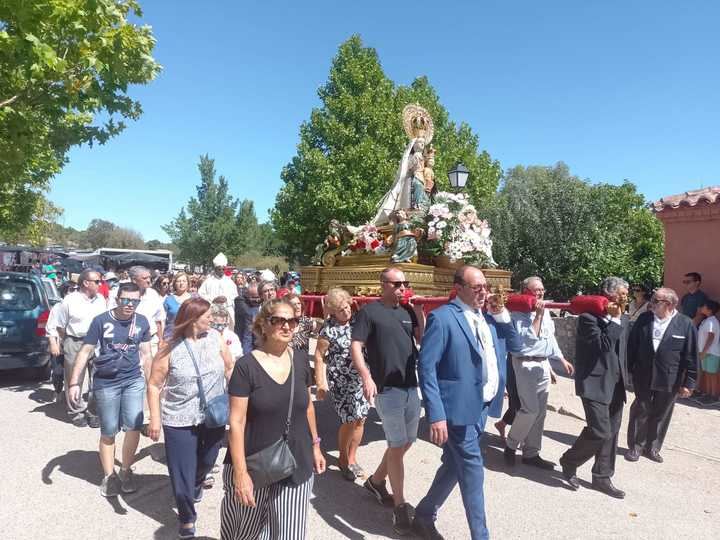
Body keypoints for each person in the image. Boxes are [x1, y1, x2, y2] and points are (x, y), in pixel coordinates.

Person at [414, 266, 517, 540]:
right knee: (472, 470)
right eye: (477, 287)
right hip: (456, 410)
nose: (483, 292)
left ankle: (423, 515)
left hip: (482, 406)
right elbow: (427, 368)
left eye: (485, 286)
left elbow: (516, 346)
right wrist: (436, 415)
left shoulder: (489, 318)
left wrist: (501, 315)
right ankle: (480, 536)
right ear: (458, 287)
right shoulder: (443, 318)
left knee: (452, 464)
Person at [220, 298, 326, 540]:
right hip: (254, 462)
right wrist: (240, 473)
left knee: (290, 533)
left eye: (292, 321)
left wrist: (316, 445)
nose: (287, 326)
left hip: (296, 459)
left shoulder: (300, 360)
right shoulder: (246, 367)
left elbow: (307, 406)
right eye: (278, 320)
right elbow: (236, 423)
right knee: (245, 533)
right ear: (263, 325)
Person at [147, 297, 234, 539]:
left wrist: (238, 397)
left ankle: (195, 484)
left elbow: (229, 368)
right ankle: (186, 517)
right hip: (178, 419)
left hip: (213, 415)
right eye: (207, 316)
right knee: (181, 471)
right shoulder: (169, 348)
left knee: (207, 461)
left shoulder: (216, 339)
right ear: (193, 319)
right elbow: (154, 385)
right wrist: (155, 418)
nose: (212, 319)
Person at [351, 267, 425, 535]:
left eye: (405, 283)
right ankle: (400, 505)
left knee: (406, 442)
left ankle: (376, 481)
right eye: (396, 283)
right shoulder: (369, 312)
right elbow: (356, 345)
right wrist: (366, 376)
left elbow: (420, 339)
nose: (402, 287)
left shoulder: (407, 311)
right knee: (396, 445)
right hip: (386, 389)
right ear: (382, 284)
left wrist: (419, 313)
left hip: (410, 386)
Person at [68, 283, 152, 497]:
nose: (129, 305)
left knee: (133, 426)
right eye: (125, 300)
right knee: (108, 430)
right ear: (117, 299)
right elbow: (86, 350)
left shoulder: (141, 322)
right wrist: (74, 382)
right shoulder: (101, 320)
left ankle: (125, 470)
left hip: (133, 380)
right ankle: (109, 476)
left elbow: (146, 355)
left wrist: (152, 385)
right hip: (106, 382)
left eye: (134, 301)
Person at [559, 277, 629, 499]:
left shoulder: (622, 318)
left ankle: (602, 477)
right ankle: (570, 460)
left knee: (612, 432)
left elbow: (623, 351)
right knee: (599, 430)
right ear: (608, 295)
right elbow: (603, 346)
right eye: (622, 293)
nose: (625, 297)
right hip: (594, 382)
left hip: (616, 383)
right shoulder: (589, 319)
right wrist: (615, 322)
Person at [504, 277, 574, 468]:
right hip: (524, 364)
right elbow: (527, 340)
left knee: (541, 412)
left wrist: (560, 359)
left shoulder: (546, 313)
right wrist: (538, 316)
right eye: (536, 290)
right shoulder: (517, 314)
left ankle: (531, 453)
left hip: (542, 364)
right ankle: (511, 445)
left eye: (542, 290)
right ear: (526, 291)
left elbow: (549, 339)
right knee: (529, 409)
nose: (540, 293)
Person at [626, 287, 697, 463]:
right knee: (641, 409)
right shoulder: (644, 319)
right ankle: (636, 446)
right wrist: (626, 371)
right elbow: (631, 346)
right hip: (643, 375)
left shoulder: (685, 324)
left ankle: (652, 448)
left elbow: (691, 355)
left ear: (670, 304)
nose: (652, 303)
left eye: (657, 301)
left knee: (661, 413)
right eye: (653, 299)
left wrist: (689, 383)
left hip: (670, 378)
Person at [315, 288, 370, 481]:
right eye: (340, 310)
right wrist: (320, 382)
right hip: (340, 379)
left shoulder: (359, 323)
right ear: (332, 311)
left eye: (347, 307)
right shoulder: (328, 329)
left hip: (360, 378)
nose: (346, 312)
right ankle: (343, 459)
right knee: (348, 419)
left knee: (361, 418)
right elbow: (319, 356)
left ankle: (352, 457)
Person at [55, 268, 108, 427]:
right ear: (86, 282)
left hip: (97, 342)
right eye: (97, 281)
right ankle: (76, 411)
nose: (101, 284)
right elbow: (60, 326)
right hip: (75, 341)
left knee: (98, 379)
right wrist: (68, 342)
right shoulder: (69, 301)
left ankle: (93, 412)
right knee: (74, 377)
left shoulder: (100, 299)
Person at [199, 253, 239, 319]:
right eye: (219, 269)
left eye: (223, 269)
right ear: (215, 269)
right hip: (212, 311)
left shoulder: (230, 282)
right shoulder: (208, 281)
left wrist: (226, 299)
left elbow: (235, 296)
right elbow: (201, 294)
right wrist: (213, 300)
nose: (221, 271)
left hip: (227, 311)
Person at [697, 300, 720, 398]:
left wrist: (704, 352)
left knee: (712, 374)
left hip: (711, 352)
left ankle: (714, 396)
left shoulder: (712, 321)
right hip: (706, 353)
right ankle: (708, 394)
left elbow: (711, 337)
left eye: (704, 306)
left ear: (709, 310)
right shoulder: (706, 320)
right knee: (707, 373)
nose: (702, 307)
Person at [164, 272, 193, 340]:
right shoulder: (168, 299)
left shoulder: (195, 298)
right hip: (171, 335)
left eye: (184, 281)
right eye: (178, 281)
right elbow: (163, 320)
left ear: (188, 283)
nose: (181, 283)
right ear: (174, 284)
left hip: (190, 335)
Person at [235, 283, 262, 353]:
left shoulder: (263, 301)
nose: (256, 300)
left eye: (258, 297)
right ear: (247, 294)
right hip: (244, 336)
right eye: (253, 297)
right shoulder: (239, 300)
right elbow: (247, 336)